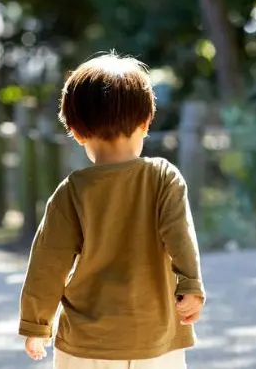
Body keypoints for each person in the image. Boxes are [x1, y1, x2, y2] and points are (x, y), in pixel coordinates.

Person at [17, 52, 206, 368]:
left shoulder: (72, 191)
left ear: (76, 133)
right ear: (146, 123)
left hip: (86, 343)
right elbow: (180, 237)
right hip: (155, 338)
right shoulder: (164, 177)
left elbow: (47, 263)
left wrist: (36, 325)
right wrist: (191, 285)